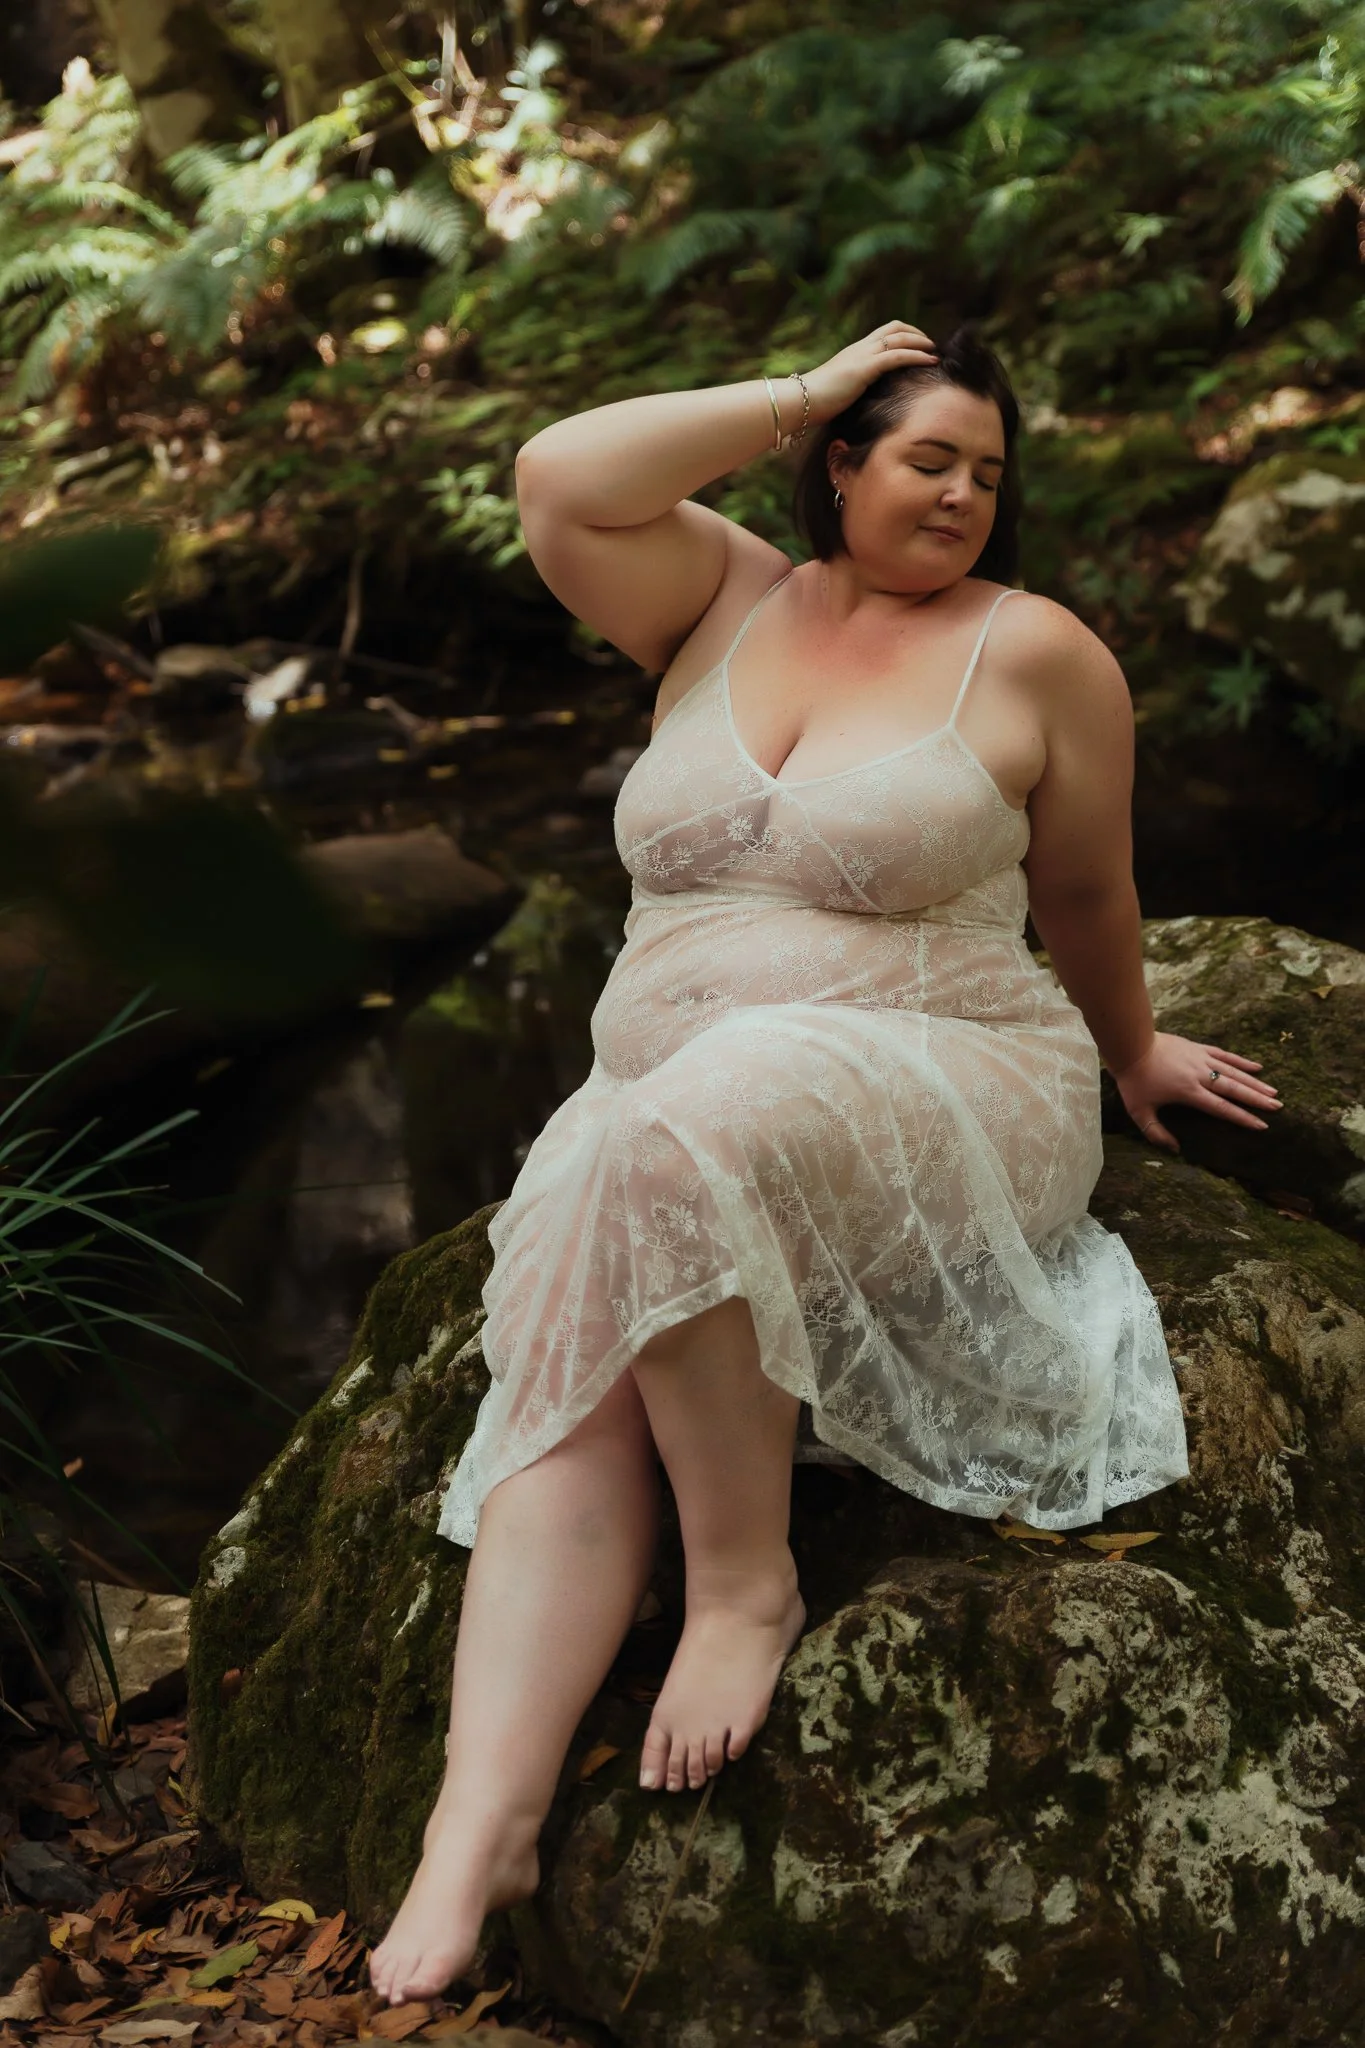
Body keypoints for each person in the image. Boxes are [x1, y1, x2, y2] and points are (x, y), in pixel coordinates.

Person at [368, 320, 1281, 2006]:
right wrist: (794, 389)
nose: (964, 493)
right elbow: (557, 477)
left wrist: (1134, 1048)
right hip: (663, 1095)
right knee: (578, 1350)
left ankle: (745, 1586)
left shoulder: (1036, 651)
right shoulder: (718, 596)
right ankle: (478, 1823)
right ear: (841, 462)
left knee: (665, 1150)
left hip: (944, 1071)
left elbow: (1087, 891)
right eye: (930, 456)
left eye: (989, 472)